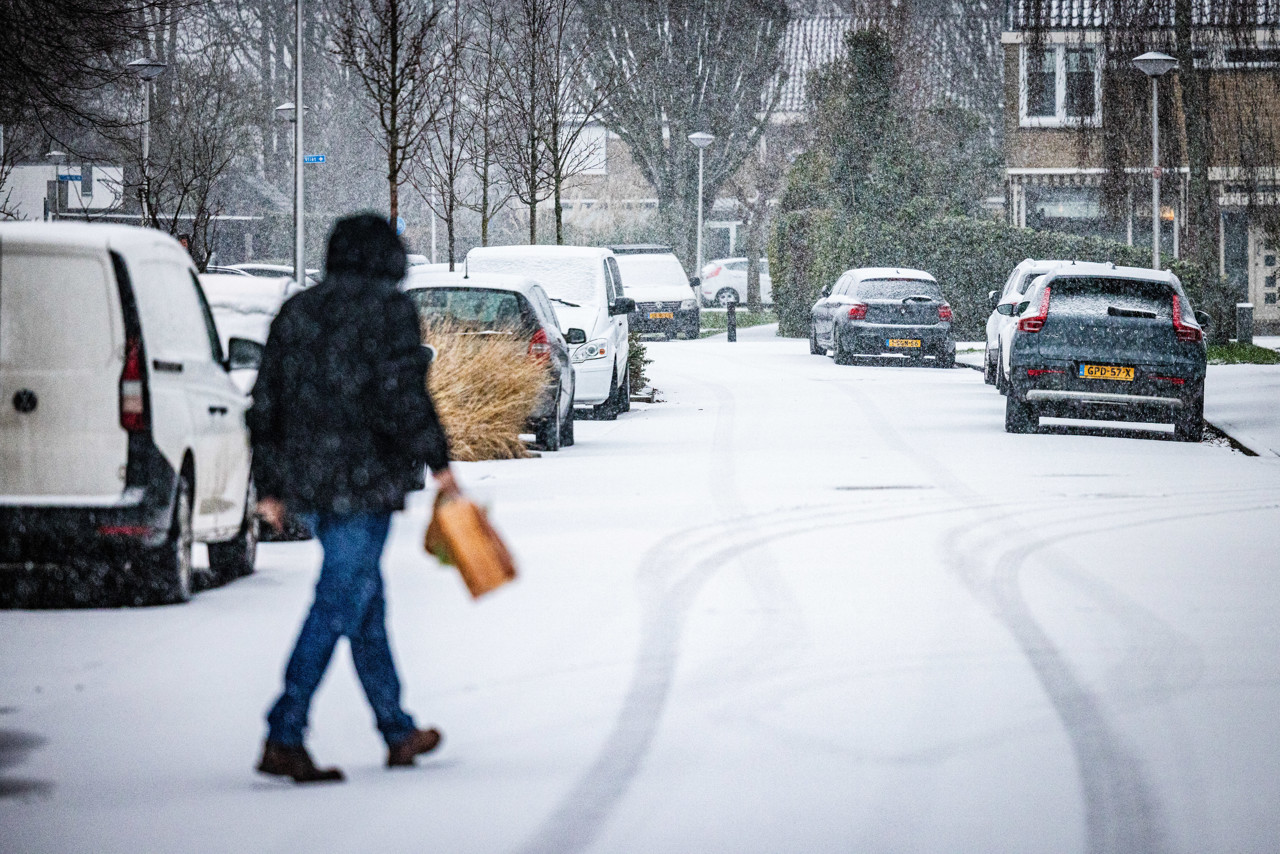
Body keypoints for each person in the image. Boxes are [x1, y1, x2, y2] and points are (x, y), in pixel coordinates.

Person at [248, 213, 458, 784]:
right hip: (366, 483)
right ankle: (284, 732)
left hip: (313, 482)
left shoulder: (298, 311)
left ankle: (397, 729)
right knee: (338, 601)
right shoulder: (389, 310)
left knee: (364, 603)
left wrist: (271, 486)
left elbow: (266, 402)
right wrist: (439, 462)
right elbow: (403, 395)